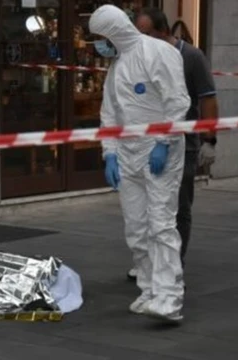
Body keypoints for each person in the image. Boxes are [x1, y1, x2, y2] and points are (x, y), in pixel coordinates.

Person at [89, 5, 191, 322]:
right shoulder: (117, 67)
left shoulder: (158, 53)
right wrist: (110, 153)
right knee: (136, 227)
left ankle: (169, 297)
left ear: (114, 31)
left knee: (161, 224)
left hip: (161, 150)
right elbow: (109, 114)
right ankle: (148, 289)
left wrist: (163, 142)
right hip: (128, 154)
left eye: (100, 37)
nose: (98, 44)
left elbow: (177, 100)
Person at [125, 8, 219, 281]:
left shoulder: (190, 57)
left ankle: (173, 266)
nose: (140, 40)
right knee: (145, 209)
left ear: (163, 32)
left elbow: (208, 99)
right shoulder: (141, 58)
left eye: (146, 34)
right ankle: (148, 261)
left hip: (183, 145)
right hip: (145, 145)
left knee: (177, 208)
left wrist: (209, 140)